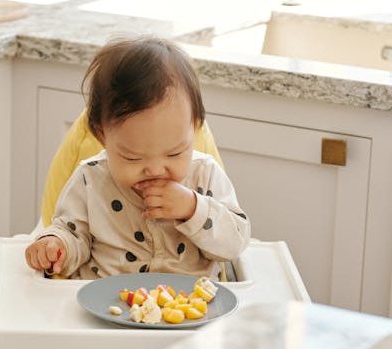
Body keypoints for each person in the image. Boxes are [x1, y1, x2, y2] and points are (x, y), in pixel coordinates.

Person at [25, 36, 250, 280]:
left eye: (174, 153)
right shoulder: (90, 179)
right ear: (102, 136)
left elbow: (236, 243)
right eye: (132, 158)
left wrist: (193, 209)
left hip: (192, 310)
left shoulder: (205, 174)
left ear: (195, 127)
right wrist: (56, 245)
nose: (155, 169)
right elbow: (71, 233)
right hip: (107, 307)